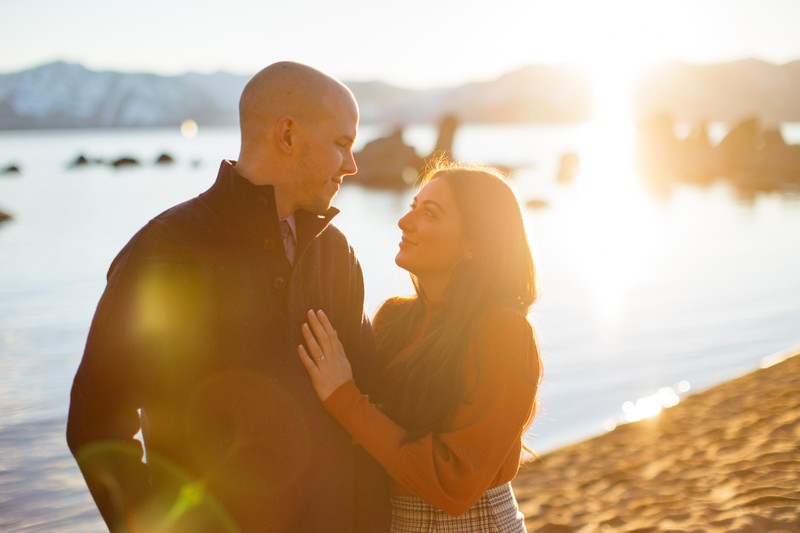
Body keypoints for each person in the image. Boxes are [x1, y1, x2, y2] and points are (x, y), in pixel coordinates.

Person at [67, 61, 389, 532]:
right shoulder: (165, 251)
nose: (352, 165)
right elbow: (97, 424)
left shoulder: (335, 252)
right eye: (341, 144)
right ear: (287, 135)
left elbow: (368, 400)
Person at [298, 162, 542, 532]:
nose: (404, 222)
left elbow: (454, 484)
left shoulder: (504, 333)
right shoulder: (394, 319)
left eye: (429, 213)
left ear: (475, 244)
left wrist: (343, 397)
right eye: (413, 207)